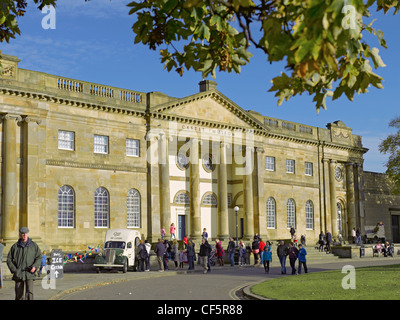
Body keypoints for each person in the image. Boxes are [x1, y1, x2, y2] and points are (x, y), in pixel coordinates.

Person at [7, 227, 42, 300]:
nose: (24, 235)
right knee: (19, 294)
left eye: (26, 233)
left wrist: (35, 267)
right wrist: (15, 270)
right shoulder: (15, 246)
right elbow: (9, 259)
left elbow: (39, 257)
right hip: (19, 273)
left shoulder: (34, 246)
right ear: (20, 234)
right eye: (23, 234)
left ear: (28, 234)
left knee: (30, 293)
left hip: (30, 273)